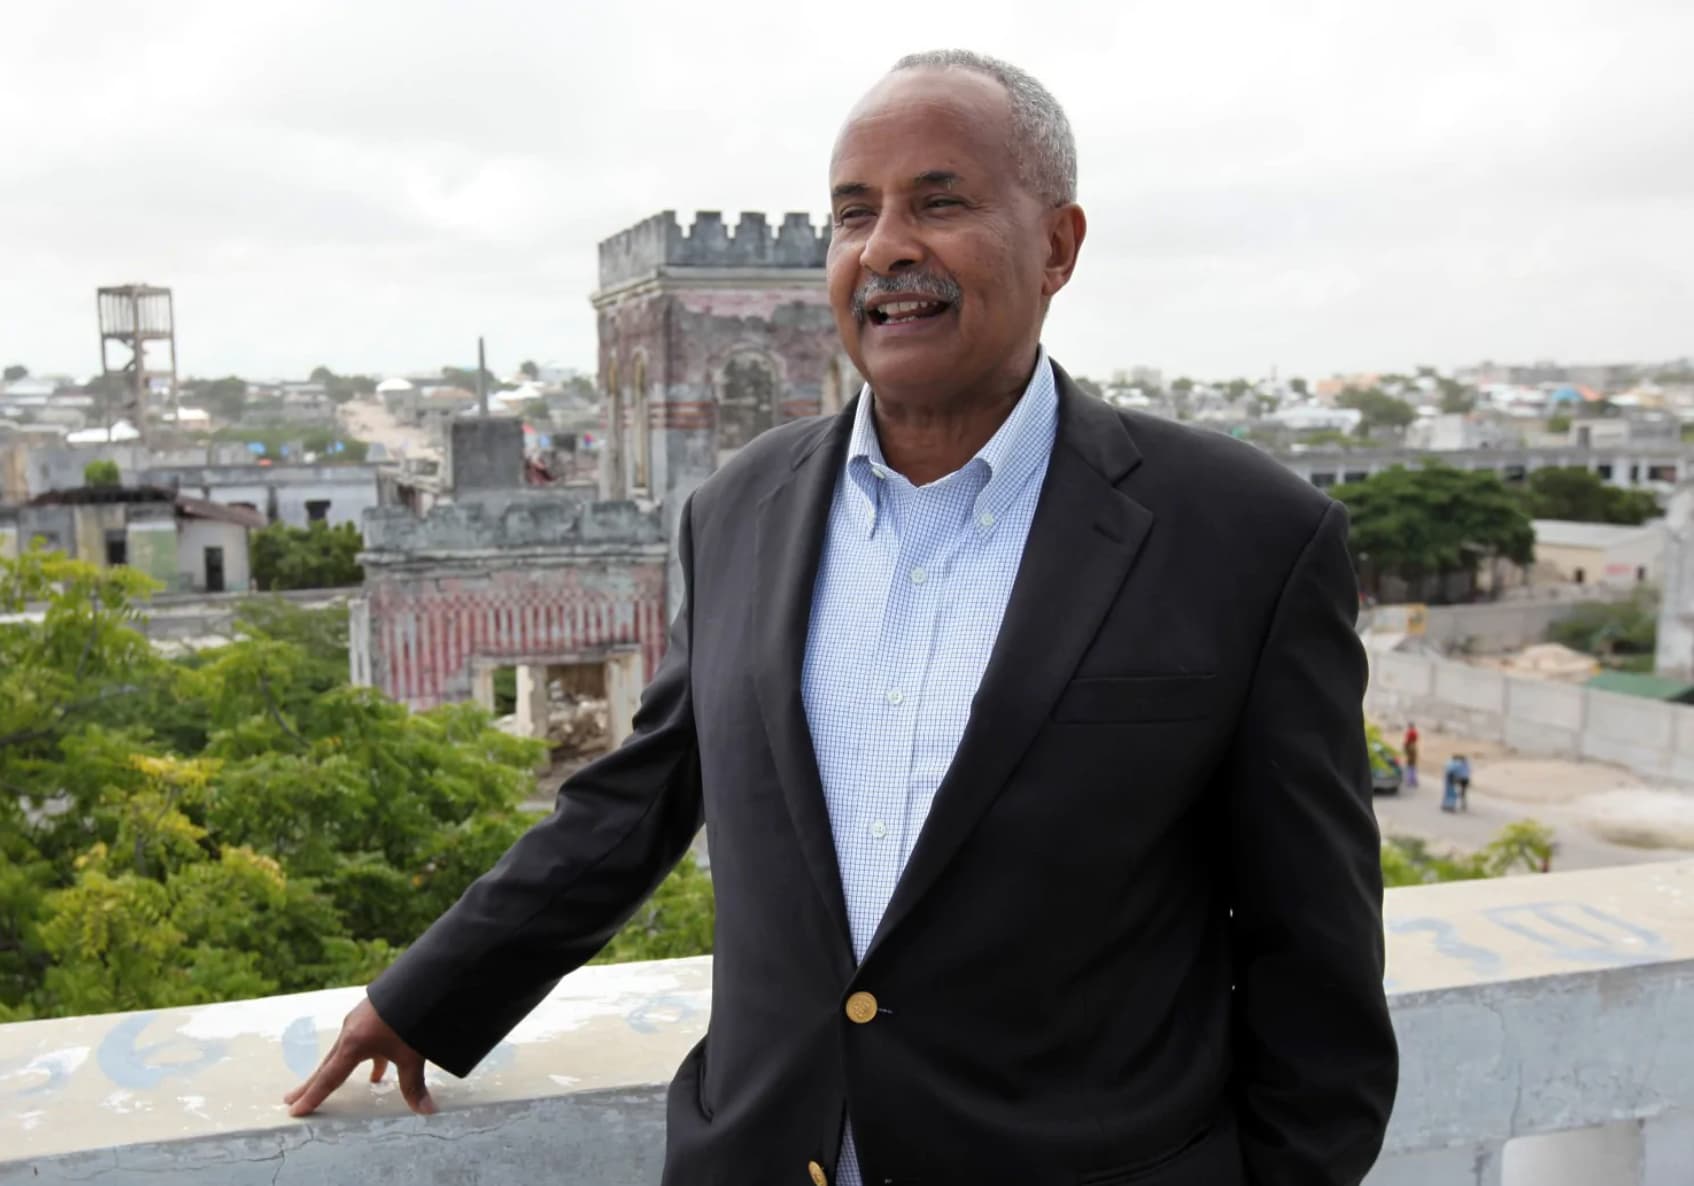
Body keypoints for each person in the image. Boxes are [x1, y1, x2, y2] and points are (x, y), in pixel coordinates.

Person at [285, 50, 1398, 1186]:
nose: (884, 248)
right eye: (851, 213)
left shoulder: (1240, 536)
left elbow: (1311, 950)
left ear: (1058, 244)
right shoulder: (738, 512)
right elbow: (640, 797)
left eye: (939, 201)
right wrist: (426, 994)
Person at [1403, 721, 1420, 789]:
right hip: (1413, 747)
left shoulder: (1410, 732)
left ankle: (1410, 780)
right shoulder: (1415, 732)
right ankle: (1414, 780)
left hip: (1410, 747)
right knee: (1413, 764)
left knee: (1410, 764)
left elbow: (1407, 741)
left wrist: (1405, 747)